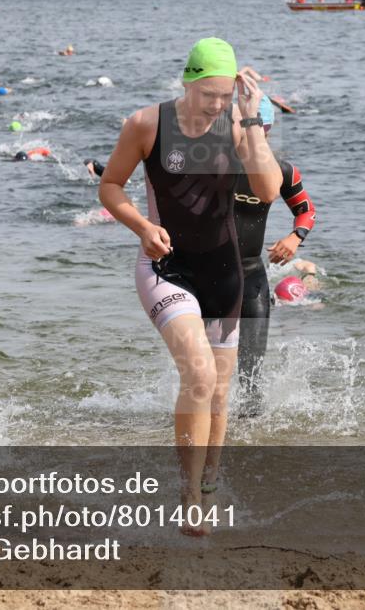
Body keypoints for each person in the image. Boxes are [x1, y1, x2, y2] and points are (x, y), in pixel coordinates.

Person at [99, 38, 281, 535]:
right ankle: (189, 494)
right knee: (198, 375)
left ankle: (209, 484)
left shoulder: (238, 124)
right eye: (209, 95)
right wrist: (142, 226)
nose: (216, 105)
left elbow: (268, 190)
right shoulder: (146, 124)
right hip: (166, 268)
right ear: (187, 82)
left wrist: (250, 119)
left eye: (225, 95)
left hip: (224, 273)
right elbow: (110, 186)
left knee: (218, 393)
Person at [233, 94, 317, 417]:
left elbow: (306, 210)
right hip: (210, 273)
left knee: (251, 375)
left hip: (251, 274)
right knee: (203, 366)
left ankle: (249, 436)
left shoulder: (281, 171)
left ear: (265, 129)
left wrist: (295, 237)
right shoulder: (216, 165)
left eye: (259, 129)